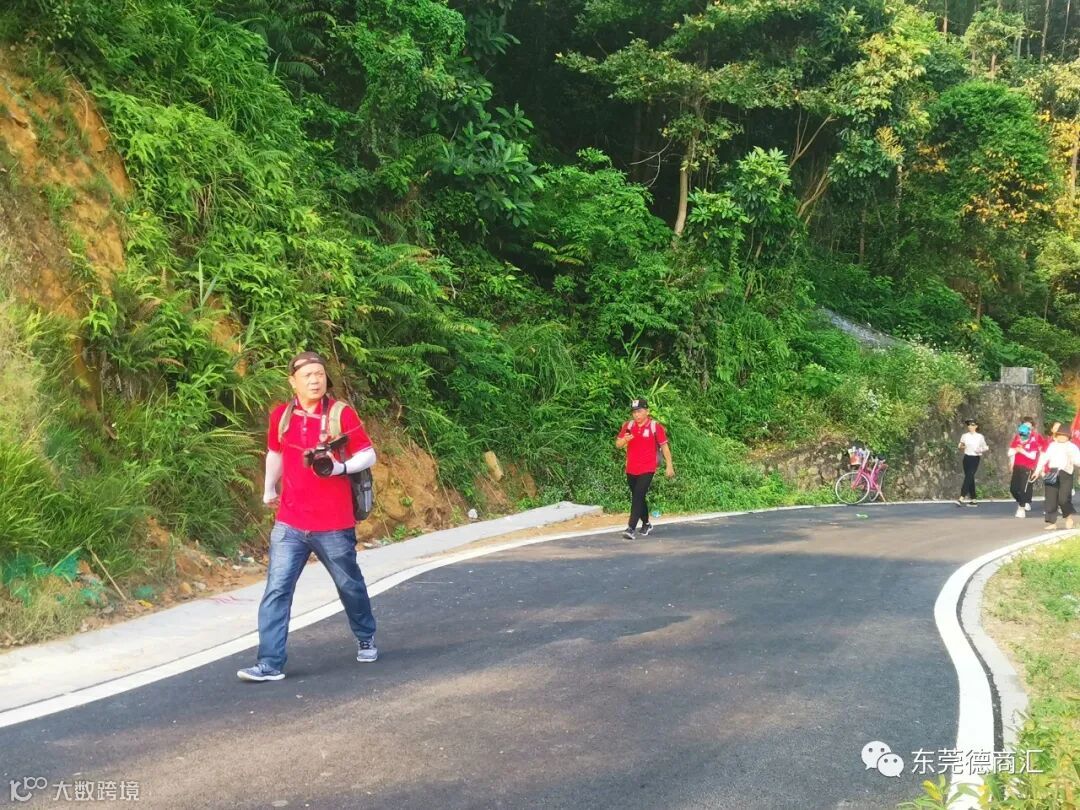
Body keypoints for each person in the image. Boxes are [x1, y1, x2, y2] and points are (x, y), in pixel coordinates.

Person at [237, 351, 379, 683]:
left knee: (349, 586)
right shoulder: (281, 416)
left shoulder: (341, 414)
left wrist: (340, 467)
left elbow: (368, 453)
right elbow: (275, 453)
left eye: (319, 374)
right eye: (308, 376)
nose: (315, 380)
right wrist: (268, 489)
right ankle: (270, 663)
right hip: (290, 521)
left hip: (334, 522)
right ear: (293, 382)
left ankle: (365, 636)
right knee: (277, 590)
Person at [615, 398, 674, 540]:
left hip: (648, 468)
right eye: (634, 412)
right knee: (638, 497)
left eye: (639, 411)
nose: (636, 415)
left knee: (637, 496)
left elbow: (665, 447)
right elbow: (618, 444)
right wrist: (625, 440)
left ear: (647, 411)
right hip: (631, 468)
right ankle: (646, 523)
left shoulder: (655, 427)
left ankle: (630, 528)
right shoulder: (628, 426)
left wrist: (669, 465)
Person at [1034, 421, 1080, 530]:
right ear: (1056, 435)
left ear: (1068, 437)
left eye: (1064, 435)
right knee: (1050, 498)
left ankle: (1068, 518)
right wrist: (1037, 470)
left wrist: (1071, 457)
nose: (1062, 437)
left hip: (1066, 473)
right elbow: (1044, 458)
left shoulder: (1072, 447)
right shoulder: (1052, 446)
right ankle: (1052, 522)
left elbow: (1078, 461)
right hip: (1052, 472)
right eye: (1060, 435)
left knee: (1063, 499)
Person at [1007, 423, 1040, 518]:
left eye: (1024, 434)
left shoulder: (1032, 442)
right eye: (1020, 434)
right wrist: (1016, 451)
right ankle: (1022, 501)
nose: (1022, 436)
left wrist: (1022, 451)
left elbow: (1033, 456)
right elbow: (1010, 453)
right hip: (1017, 466)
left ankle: (1021, 508)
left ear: (1028, 433)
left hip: (1027, 467)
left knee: (1023, 488)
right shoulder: (1017, 440)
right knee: (1013, 489)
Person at [956, 418, 989, 506]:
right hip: (966, 458)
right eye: (969, 425)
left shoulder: (980, 436)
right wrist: (962, 446)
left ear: (976, 426)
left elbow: (985, 447)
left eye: (972, 425)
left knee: (969, 477)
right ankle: (974, 500)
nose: (970, 426)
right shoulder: (964, 436)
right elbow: (960, 445)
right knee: (970, 478)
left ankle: (961, 497)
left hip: (975, 458)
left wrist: (980, 450)